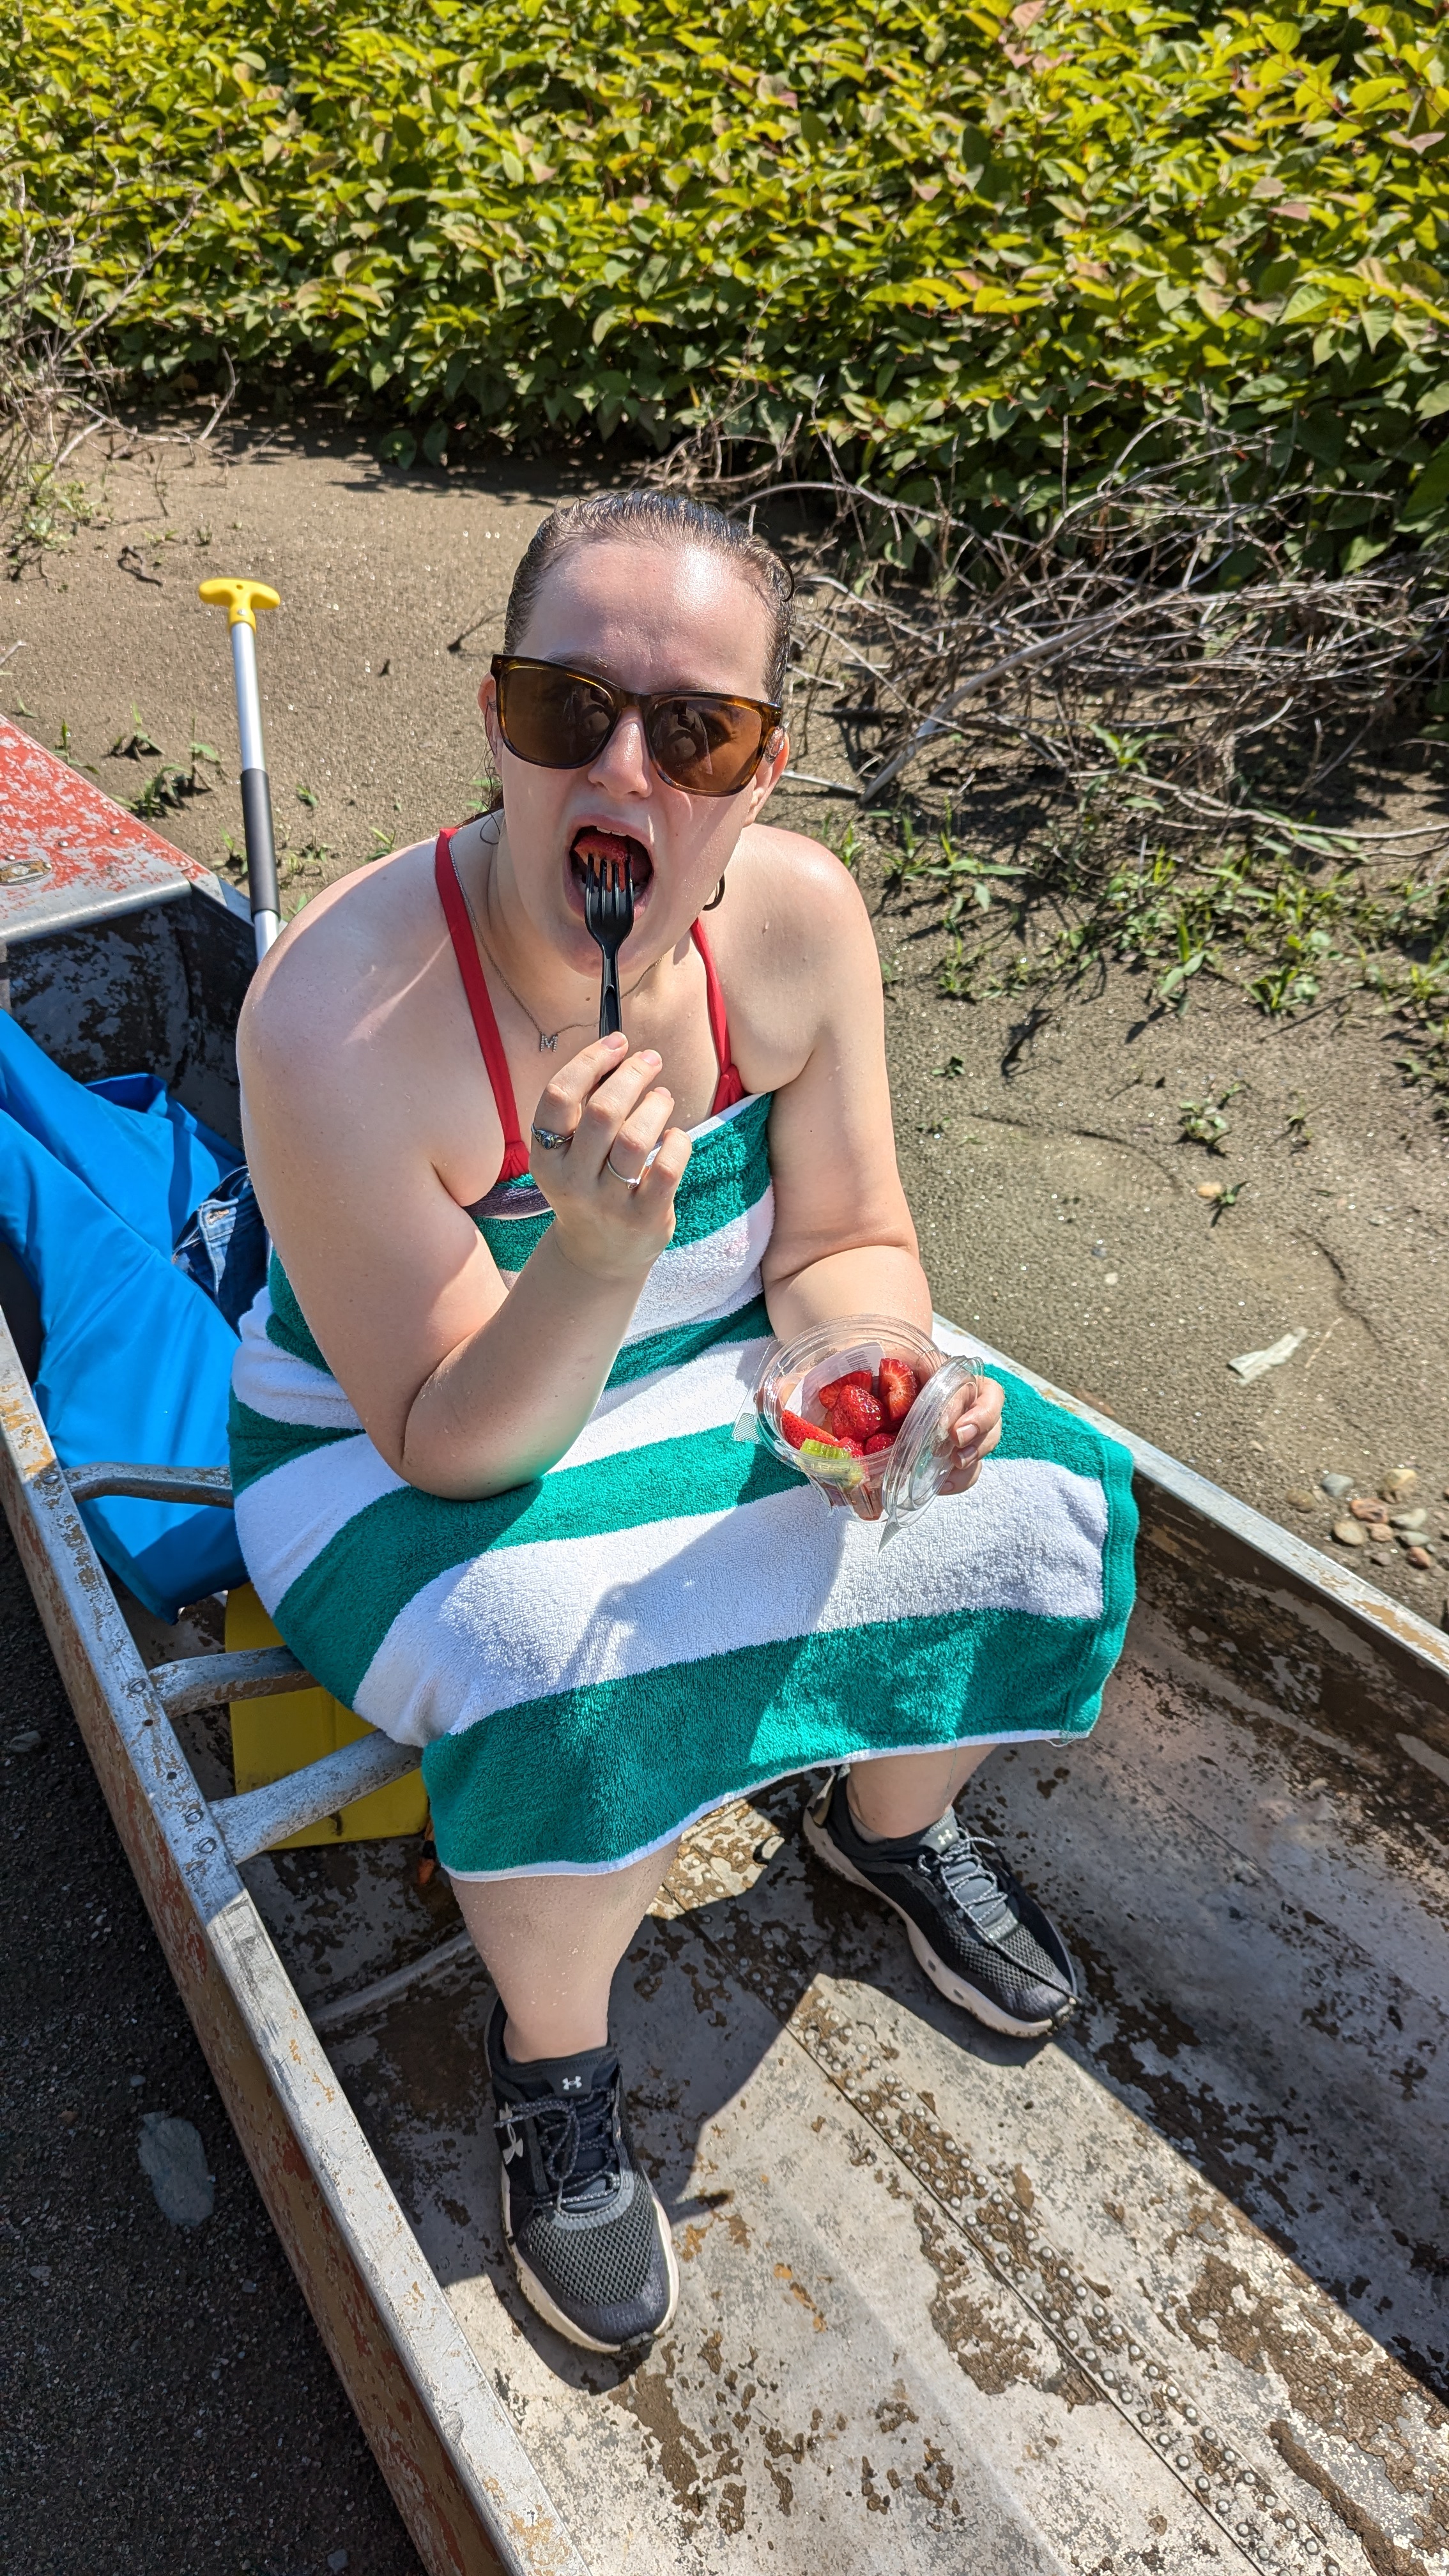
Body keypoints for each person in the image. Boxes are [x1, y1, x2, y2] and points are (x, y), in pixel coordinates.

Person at [231, 491, 1137, 2356]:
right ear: (494, 720)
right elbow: (443, 1438)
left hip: (700, 1347)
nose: (620, 767)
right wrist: (587, 1254)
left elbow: (846, 1239)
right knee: (548, 1660)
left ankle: (880, 1828)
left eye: (691, 730)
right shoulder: (337, 1014)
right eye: (567, 710)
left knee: (1033, 1486)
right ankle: (554, 2058)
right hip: (400, 1441)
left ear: (760, 767)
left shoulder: (796, 923)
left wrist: (865, 1373)